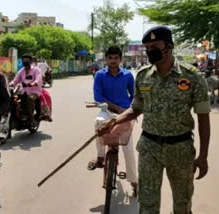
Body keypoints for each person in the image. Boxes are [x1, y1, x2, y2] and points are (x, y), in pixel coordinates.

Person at [98, 26, 211, 214]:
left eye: (155, 46)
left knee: (182, 205)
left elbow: (204, 119)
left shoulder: (192, 77)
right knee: (147, 206)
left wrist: (204, 156)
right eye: (147, 48)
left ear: (169, 46)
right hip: (149, 149)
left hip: (181, 150)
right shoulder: (143, 77)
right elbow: (136, 109)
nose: (150, 51)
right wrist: (115, 120)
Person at [87, 46, 138, 193]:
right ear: (106, 59)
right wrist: (116, 107)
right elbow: (98, 97)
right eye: (110, 58)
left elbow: (134, 95)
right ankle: (100, 157)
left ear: (120, 59)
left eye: (116, 58)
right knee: (98, 122)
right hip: (107, 111)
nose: (113, 61)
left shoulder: (128, 75)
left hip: (125, 114)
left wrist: (128, 109)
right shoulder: (100, 76)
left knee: (128, 149)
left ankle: (134, 182)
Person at [10, 54, 42, 125]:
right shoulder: (21, 71)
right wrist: (10, 84)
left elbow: (38, 78)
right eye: (23, 61)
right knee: (12, 98)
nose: (25, 62)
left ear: (30, 61)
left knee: (29, 98)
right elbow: (15, 80)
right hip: (23, 91)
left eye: (27, 60)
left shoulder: (36, 70)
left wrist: (33, 83)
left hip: (34, 91)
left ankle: (31, 119)